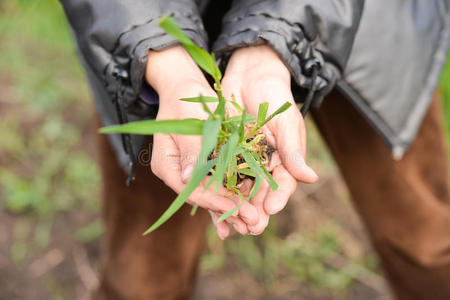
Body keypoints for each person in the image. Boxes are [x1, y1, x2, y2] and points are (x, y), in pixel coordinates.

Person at [60, 1, 450, 299]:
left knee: (425, 241)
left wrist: (272, 42)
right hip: (152, 49)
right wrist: (164, 60)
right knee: (140, 278)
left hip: (352, 22)